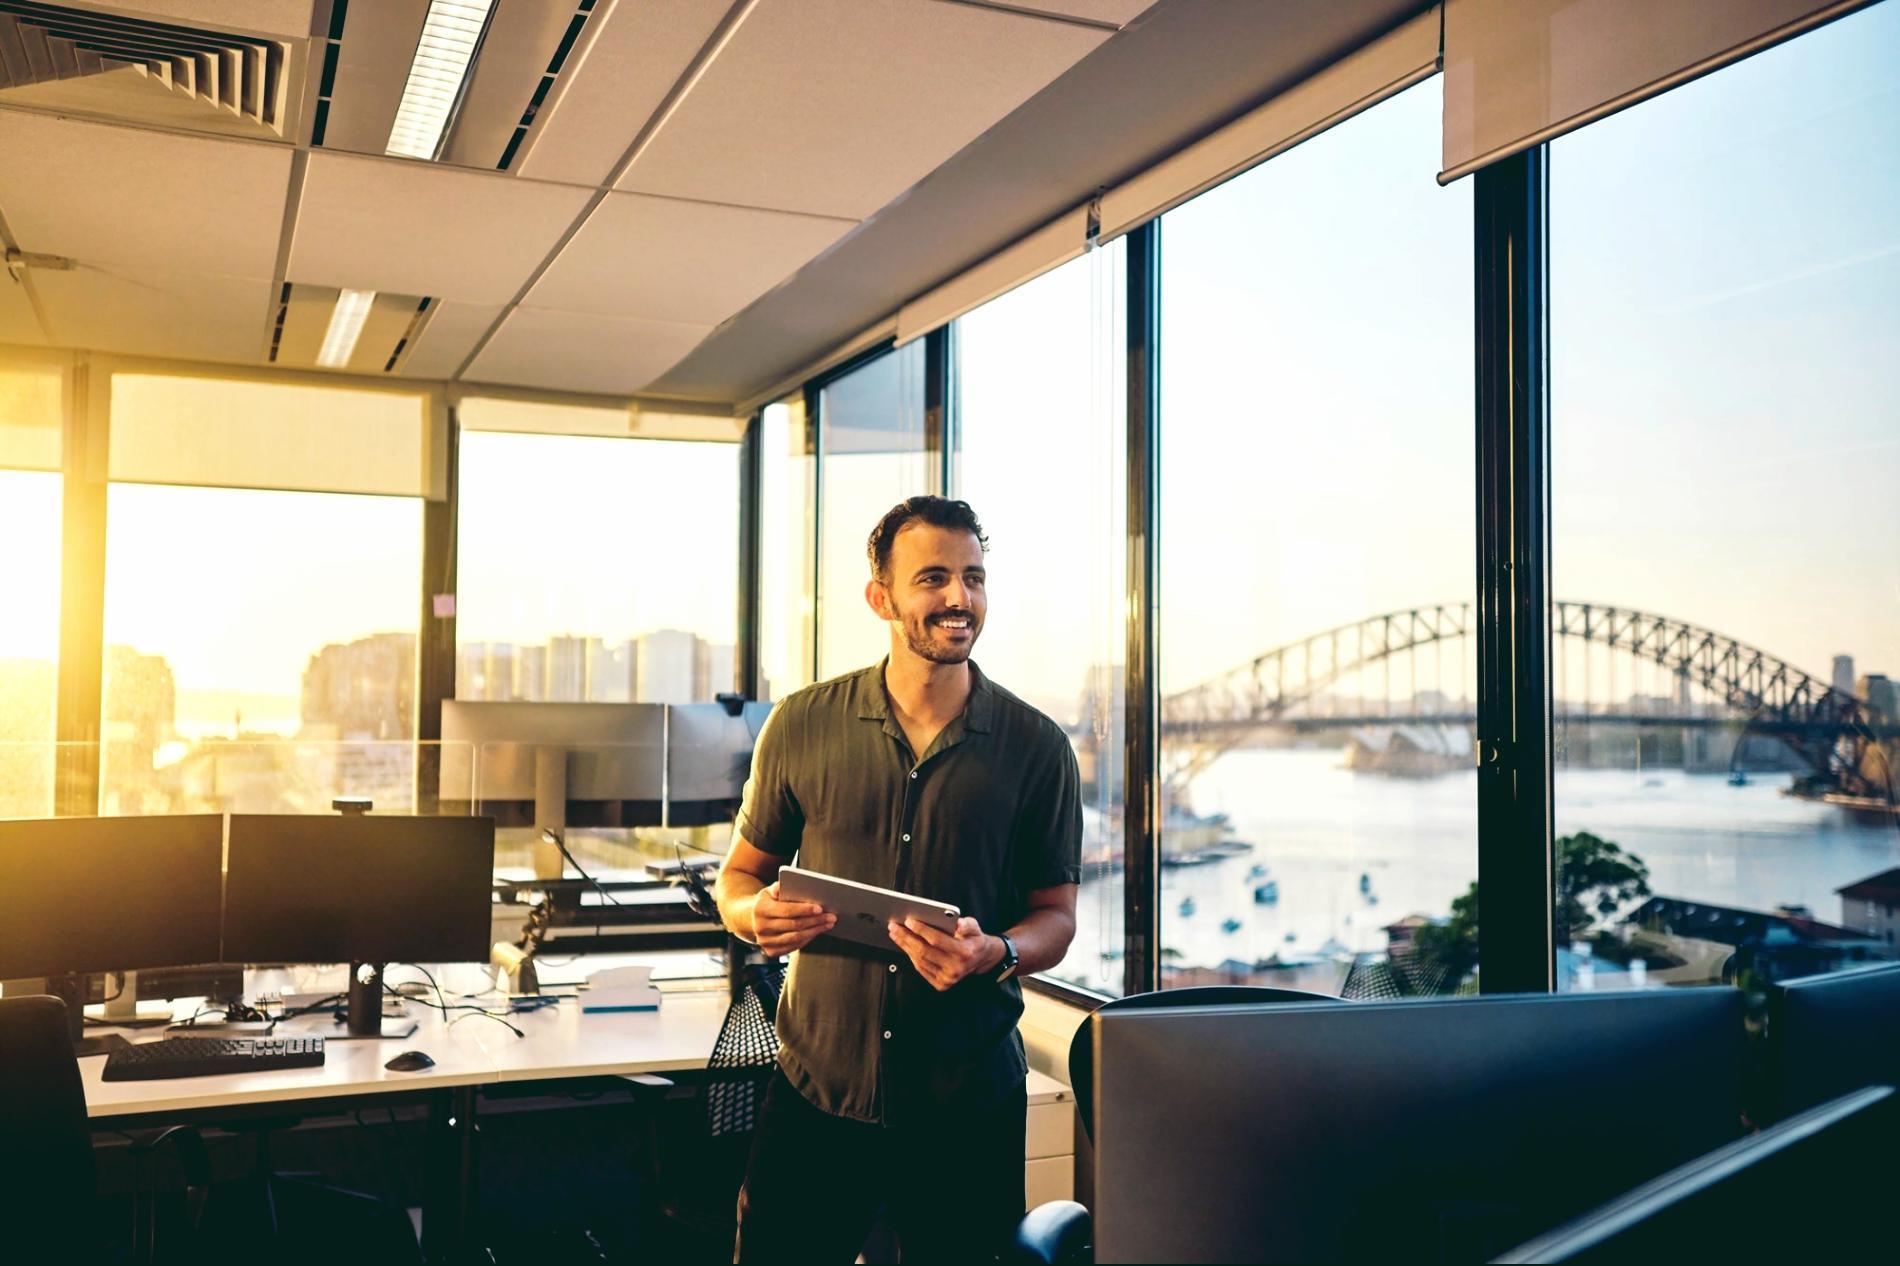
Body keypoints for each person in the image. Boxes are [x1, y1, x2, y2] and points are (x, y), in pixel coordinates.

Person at [715, 495, 1082, 1264]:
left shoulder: (1037, 748)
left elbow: (1056, 918)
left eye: (974, 578)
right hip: (816, 1093)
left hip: (966, 1107)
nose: (960, 598)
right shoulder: (802, 723)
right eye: (935, 578)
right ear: (881, 596)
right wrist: (755, 916)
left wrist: (998, 954)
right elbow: (739, 879)